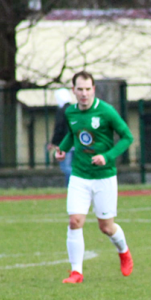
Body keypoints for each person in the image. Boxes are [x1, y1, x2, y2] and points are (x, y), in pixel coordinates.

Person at [54, 71, 134, 284]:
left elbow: (127, 137)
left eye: (88, 89)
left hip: (104, 177)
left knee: (106, 227)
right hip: (79, 175)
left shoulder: (106, 111)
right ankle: (76, 272)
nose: (84, 93)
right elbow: (74, 134)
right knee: (75, 221)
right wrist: (62, 149)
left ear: (93, 90)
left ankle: (124, 251)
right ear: (73, 91)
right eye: (79, 89)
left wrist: (106, 156)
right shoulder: (70, 112)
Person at [48, 87, 73, 186]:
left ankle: (71, 186)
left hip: (65, 144)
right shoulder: (74, 109)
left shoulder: (61, 111)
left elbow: (59, 128)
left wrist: (53, 143)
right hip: (77, 142)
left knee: (66, 167)